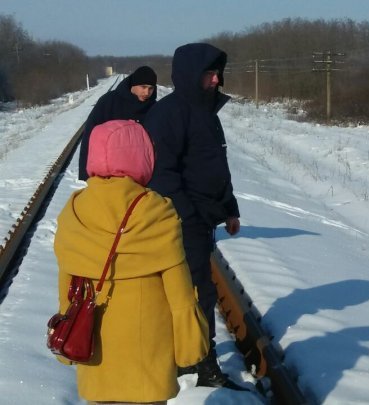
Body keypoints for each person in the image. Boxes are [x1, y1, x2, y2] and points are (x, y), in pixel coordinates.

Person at [53, 120, 209, 404]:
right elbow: (180, 293)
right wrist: (190, 349)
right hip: (148, 359)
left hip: (93, 352)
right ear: (142, 156)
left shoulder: (75, 211)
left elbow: (67, 288)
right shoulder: (156, 212)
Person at [143, 43, 242, 390]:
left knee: (200, 292)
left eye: (218, 73)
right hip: (181, 223)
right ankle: (200, 365)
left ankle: (195, 359)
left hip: (201, 219)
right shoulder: (168, 115)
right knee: (196, 294)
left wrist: (229, 208)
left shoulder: (205, 112)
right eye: (209, 74)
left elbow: (216, 166)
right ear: (191, 75)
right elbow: (162, 176)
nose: (216, 80)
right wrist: (191, 215)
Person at [78, 65, 157, 181]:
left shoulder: (155, 108)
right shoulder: (109, 102)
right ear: (133, 85)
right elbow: (90, 136)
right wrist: (85, 174)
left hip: (143, 175)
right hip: (111, 175)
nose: (147, 92)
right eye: (143, 87)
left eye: (151, 88)